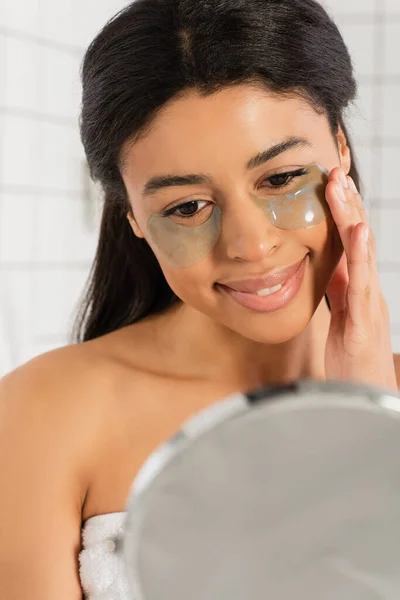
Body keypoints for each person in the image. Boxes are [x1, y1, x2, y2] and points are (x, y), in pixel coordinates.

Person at [0, 0, 399, 597]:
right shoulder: (41, 413)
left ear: (339, 148)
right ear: (133, 215)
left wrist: (364, 426)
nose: (251, 244)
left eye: (282, 178)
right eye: (187, 207)